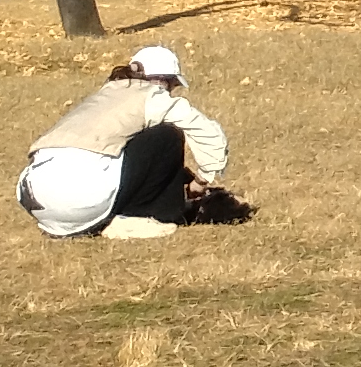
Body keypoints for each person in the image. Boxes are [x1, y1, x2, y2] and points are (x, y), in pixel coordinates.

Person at [19, 47, 232, 241]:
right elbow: (207, 131)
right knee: (167, 136)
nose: (170, 92)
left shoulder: (102, 97)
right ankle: (140, 216)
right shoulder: (151, 97)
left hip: (37, 198)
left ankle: (80, 222)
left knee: (142, 145)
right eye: (172, 86)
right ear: (161, 81)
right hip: (82, 197)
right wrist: (202, 180)